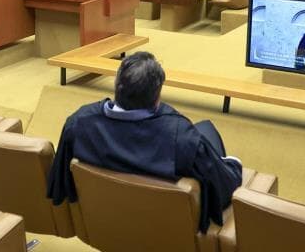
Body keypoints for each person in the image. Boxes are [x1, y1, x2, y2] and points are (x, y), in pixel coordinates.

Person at [47, 51, 242, 233]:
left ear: (116, 85)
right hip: (166, 228)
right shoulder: (182, 139)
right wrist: (233, 164)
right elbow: (225, 189)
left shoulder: (78, 123)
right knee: (207, 133)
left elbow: (62, 182)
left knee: (204, 131)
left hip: (106, 222)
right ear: (157, 97)